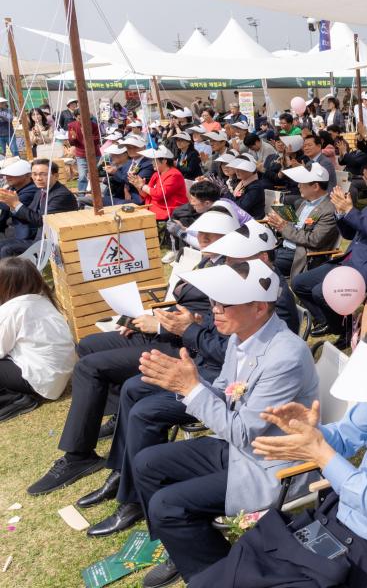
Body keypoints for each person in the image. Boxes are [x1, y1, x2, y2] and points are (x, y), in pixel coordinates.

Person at [189, 296, 367, 588]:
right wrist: (312, 433)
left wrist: (322, 454)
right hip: (333, 522)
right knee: (222, 576)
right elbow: (345, 436)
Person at [79, 224, 300, 539]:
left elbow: (237, 364)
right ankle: (125, 476)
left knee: (144, 410)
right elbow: (227, 344)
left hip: (249, 430)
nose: (227, 265)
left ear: (263, 258)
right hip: (217, 379)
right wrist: (191, 327)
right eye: (227, 258)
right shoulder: (242, 294)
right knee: (133, 390)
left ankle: (138, 498)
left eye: (237, 260)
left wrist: (190, 342)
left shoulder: (271, 307)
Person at [126, 259, 318, 587]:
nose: (214, 309)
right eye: (214, 300)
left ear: (259, 307)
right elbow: (225, 392)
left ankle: (224, 577)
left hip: (269, 466)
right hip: (239, 450)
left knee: (166, 505)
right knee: (146, 463)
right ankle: (184, 544)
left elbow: (244, 432)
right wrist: (185, 382)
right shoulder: (240, 335)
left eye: (224, 303)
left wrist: (190, 388)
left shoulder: (284, 356)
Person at [24, 209, 236, 498]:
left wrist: (160, 327)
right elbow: (193, 310)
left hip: (182, 346)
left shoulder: (230, 273)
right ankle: (116, 416)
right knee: (87, 345)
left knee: (91, 368)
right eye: (201, 234)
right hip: (172, 330)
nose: (204, 240)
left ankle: (78, 455)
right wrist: (150, 316)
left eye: (212, 236)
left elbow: (211, 325)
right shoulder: (208, 259)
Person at [295, 163, 367, 338]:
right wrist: (341, 212)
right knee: (299, 283)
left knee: (320, 292)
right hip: (347, 261)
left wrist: (349, 210)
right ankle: (330, 321)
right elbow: (350, 234)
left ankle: (344, 332)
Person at [0, 257, 76, 421]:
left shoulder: (12, 309)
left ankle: (16, 399)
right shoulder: (43, 300)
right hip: (57, 378)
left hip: (40, 381)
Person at [266, 162, 340, 279]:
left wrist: (284, 227)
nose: (298, 186)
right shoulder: (305, 202)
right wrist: (278, 221)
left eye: (302, 183)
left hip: (300, 255)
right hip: (283, 248)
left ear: (315, 187)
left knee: (259, 264)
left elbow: (314, 240)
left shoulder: (329, 210)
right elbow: (294, 226)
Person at [0, 158, 79, 257]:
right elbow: (32, 214)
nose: (38, 178)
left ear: (56, 176)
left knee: (6, 250)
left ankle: (10, 272)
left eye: (44, 174)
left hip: (50, 243)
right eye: (35, 174)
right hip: (37, 237)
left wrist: (15, 203)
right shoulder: (41, 190)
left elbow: (43, 221)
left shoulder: (61, 195)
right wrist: (13, 204)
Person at [129, 148, 189, 220]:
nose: (152, 163)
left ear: (164, 161)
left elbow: (160, 194)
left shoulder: (174, 175)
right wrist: (138, 186)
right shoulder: (156, 174)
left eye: (154, 160)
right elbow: (145, 194)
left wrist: (143, 186)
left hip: (167, 213)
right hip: (152, 210)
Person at [0, 160, 39, 239]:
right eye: (7, 174)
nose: (8, 177)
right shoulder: (13, 187)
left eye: (13, 174)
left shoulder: (32, 189)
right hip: (9, 228)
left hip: (21, 232)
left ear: (27, 176)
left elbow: (7, 205)